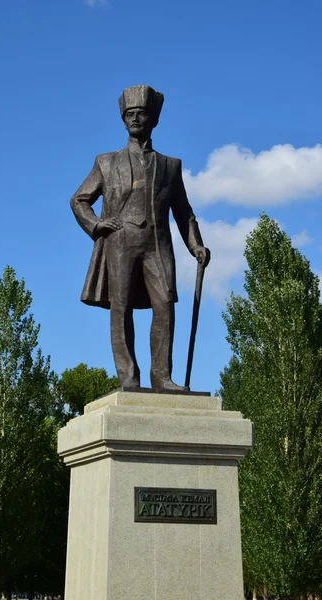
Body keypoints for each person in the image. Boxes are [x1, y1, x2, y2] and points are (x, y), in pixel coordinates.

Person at [71, 85, 210, 390]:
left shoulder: (170, 166)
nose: (135, 119)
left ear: (153, 119)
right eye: (129, 114)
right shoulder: (106, 162)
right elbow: (79, 200)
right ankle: (128, 377)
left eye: (141, 114)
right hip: (119, 242)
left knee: (165, 306)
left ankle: (161, 376)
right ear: (123, 121)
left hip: (157, 245)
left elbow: (183, 212)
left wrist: (196, 245)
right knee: (121, 308)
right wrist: (97, 225)